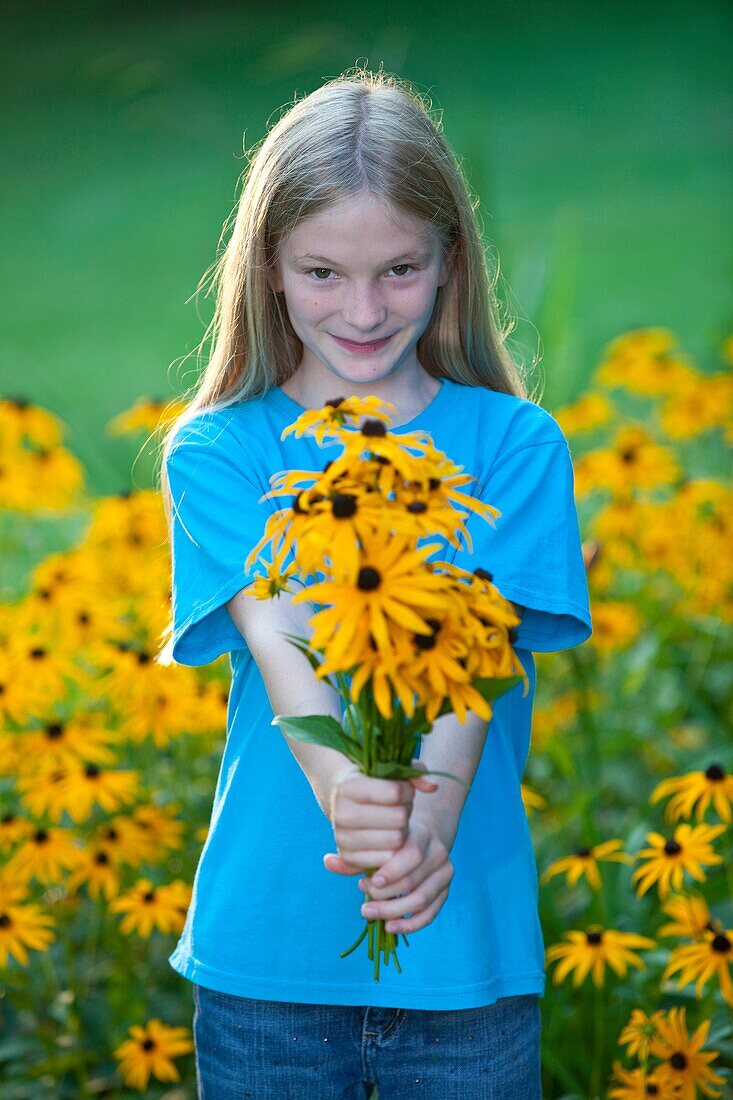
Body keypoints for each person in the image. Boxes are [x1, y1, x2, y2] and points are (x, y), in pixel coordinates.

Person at [156, 67, 592, 1100]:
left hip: (464, 946)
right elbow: (283, 636)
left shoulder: (512, 444)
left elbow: (476, 653)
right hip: (265, 957)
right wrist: (350, 792)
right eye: (322, 273)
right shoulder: (219, 451)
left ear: (450, 260)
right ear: (266, 265)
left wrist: (425, 823)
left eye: (398, 268)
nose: (361, 309)